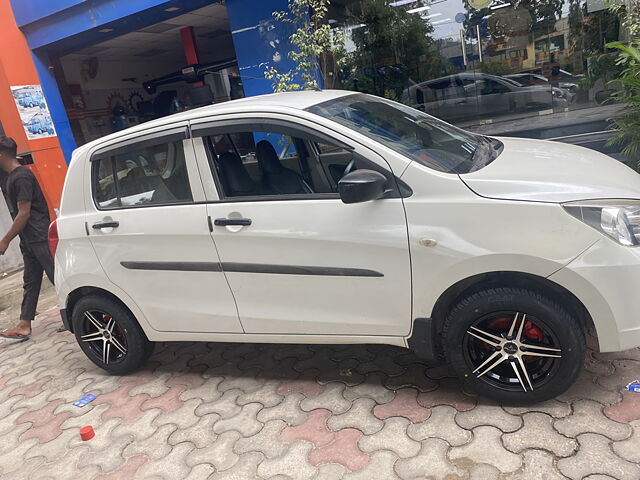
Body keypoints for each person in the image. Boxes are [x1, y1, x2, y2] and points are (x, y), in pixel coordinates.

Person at [0, 136, 54, 341]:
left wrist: (5, 240)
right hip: (29, 238)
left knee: (57, 276)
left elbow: (24, 213)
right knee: (30, 282)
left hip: (38, 236)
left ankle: (80, 316)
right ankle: (24, 324)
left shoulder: (21, 177)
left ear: (2, 155)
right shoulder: (11, 177)